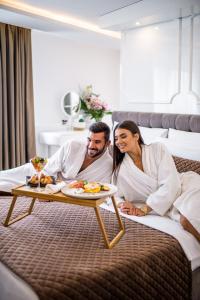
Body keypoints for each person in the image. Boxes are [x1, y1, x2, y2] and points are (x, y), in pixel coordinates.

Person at [113, 120, 200, 241]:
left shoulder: (157, 148)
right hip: (166, 204)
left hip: (184, 187)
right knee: (185, 222)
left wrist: (145, 209)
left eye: (123, 136)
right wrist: (122, 204)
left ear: (136, 136)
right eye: (116, 138)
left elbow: (171, 183)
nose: (118, 142)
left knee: (187, 221)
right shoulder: (122, 169)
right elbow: (114, 193)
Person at [0, 122, 112, 192]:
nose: (91, 146)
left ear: (107, 143)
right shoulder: (72, 145)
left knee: (8, 186)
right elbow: (50, 167)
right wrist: (46, 190)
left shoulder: (107, 164)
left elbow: (99, 188)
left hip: (58, 187)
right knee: (5, 175)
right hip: (42, 171)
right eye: (89, 140)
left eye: (97, 142)